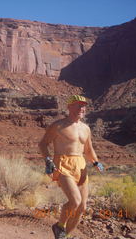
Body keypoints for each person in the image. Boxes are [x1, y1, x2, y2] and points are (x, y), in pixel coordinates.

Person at [38, 95, 104, 239]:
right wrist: (48, 161)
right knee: (75, 200)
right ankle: (59, 226)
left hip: (81, 166)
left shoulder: (86, 128)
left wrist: (96, 162)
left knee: (82, 208)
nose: (82, 108)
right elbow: (43, 144)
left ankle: (65, 235)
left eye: (83, 105)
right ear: (69, 107)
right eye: (78, 105)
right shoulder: (58, 125)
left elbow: (88, 149)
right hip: (63, 164)